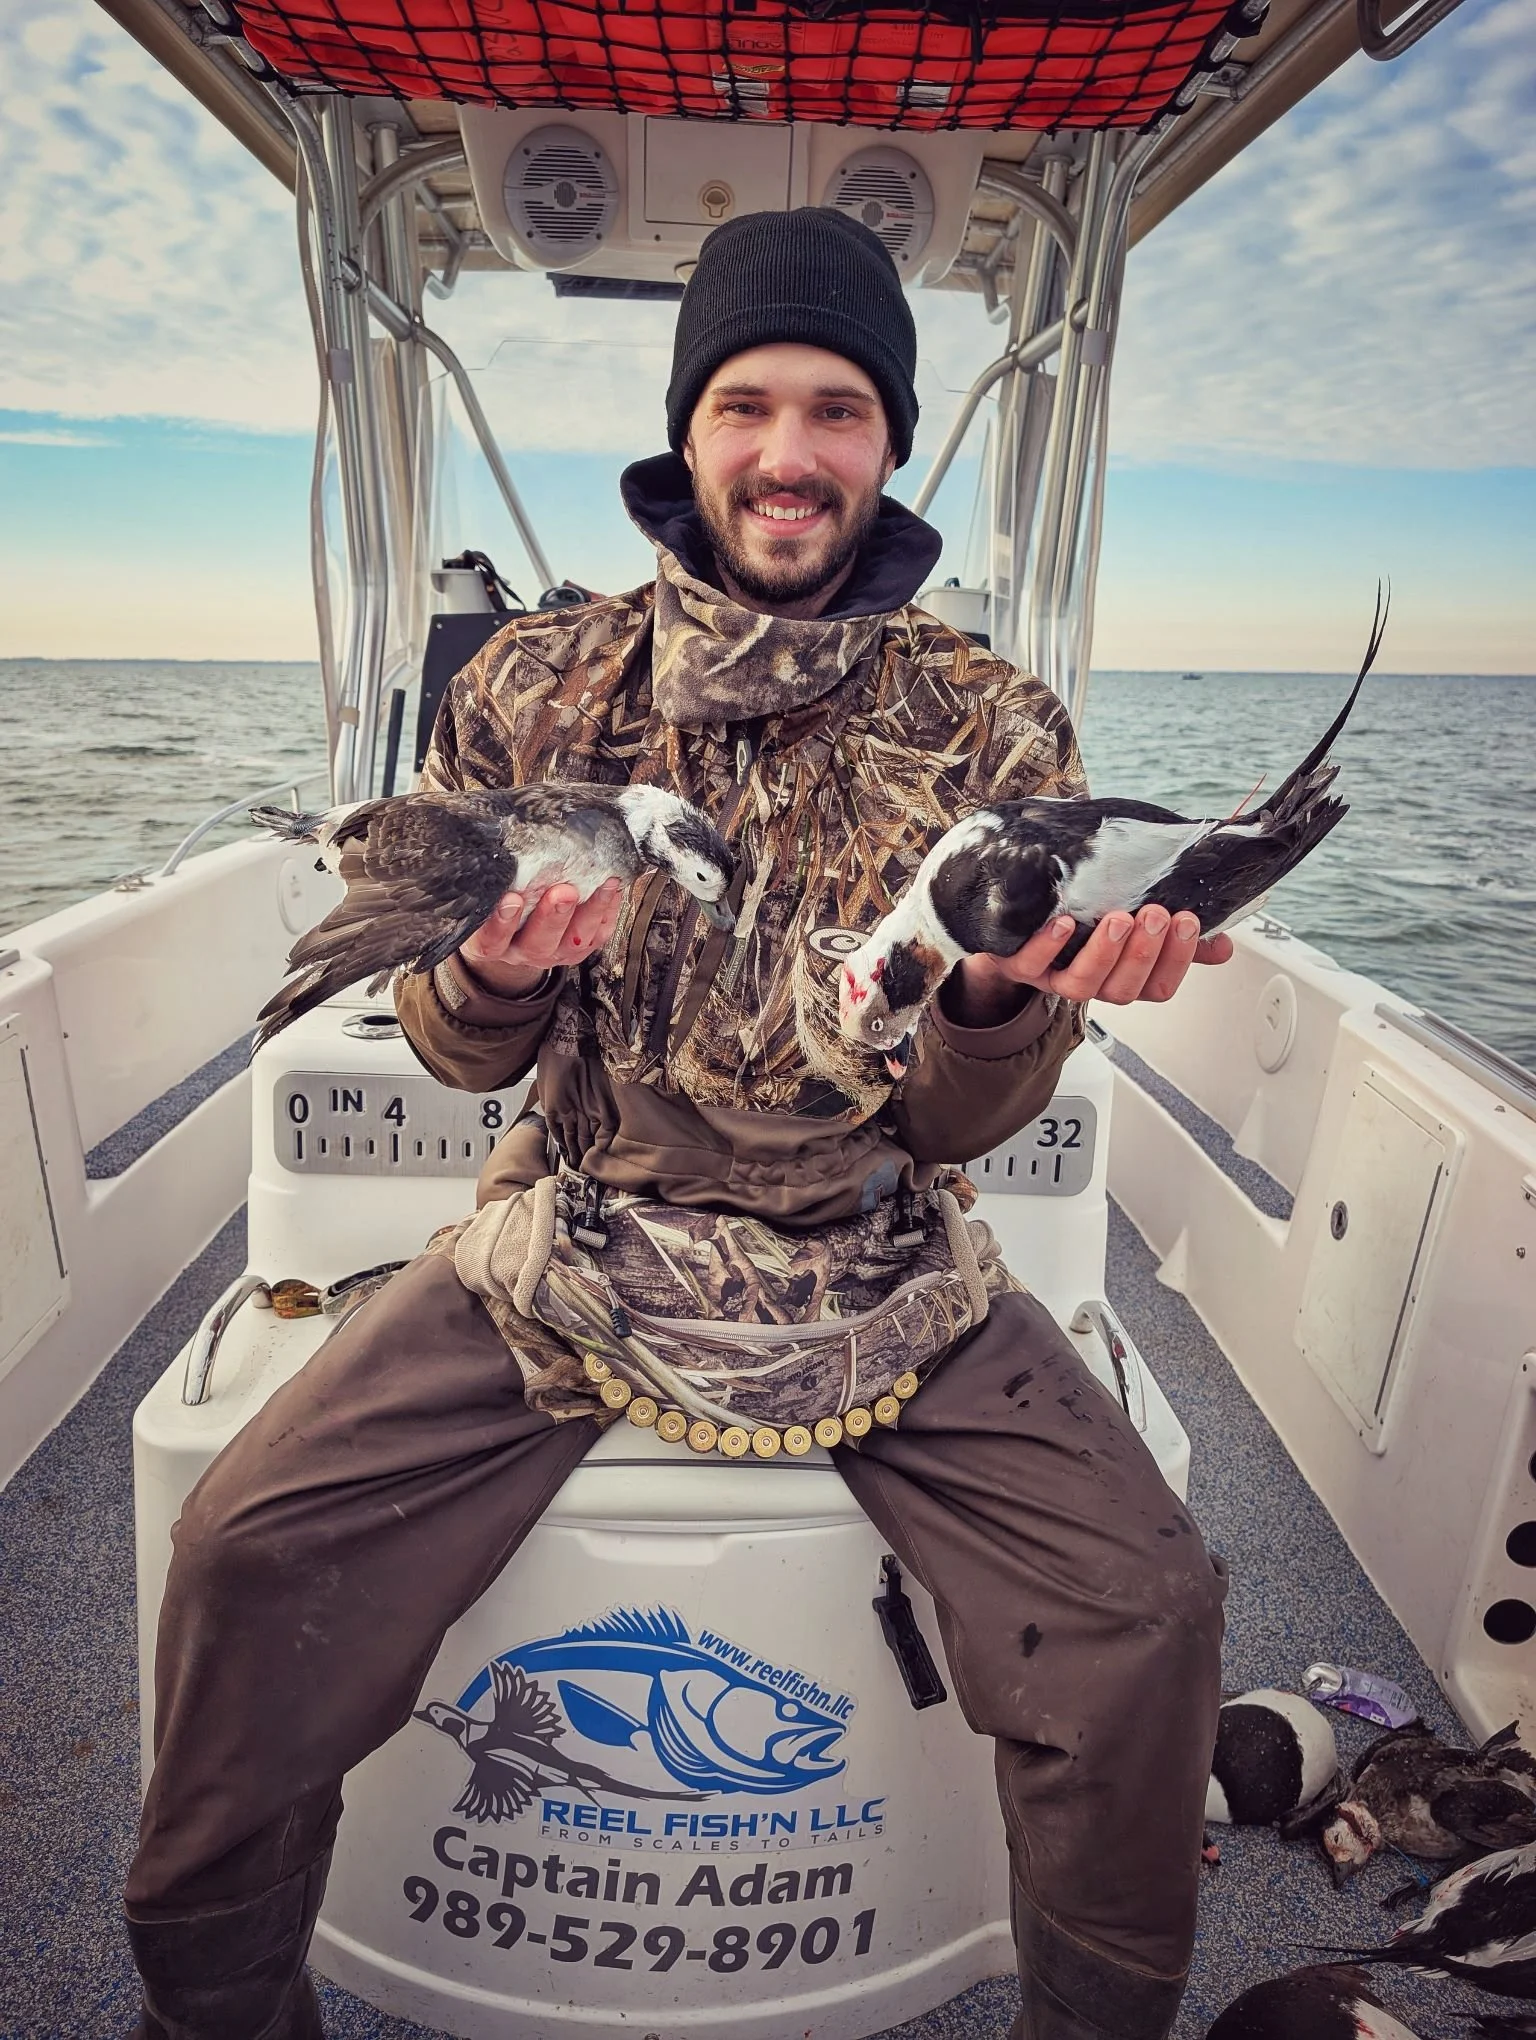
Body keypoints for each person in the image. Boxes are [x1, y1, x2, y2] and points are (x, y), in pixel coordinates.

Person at [125, 207, 1231, 2040]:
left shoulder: (992, 723)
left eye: (837, 413)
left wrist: (995, 997)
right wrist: (488, 975)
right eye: (745, 405)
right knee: (250, 1548)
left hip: (880, 1247)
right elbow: (461, 1058)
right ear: (686, 430)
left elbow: (959, 1130)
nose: (789, 457)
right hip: (576, 1228)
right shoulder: (527, 687)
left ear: (891, 441)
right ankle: (220, 2008)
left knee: (1151, 1601)